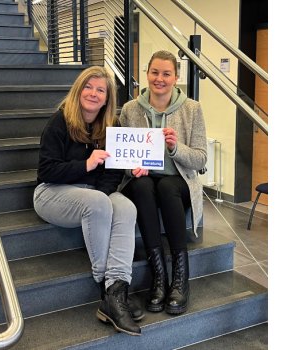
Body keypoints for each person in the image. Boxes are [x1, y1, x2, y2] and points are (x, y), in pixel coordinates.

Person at [33, 66, 142, 336]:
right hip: (52, 192)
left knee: (125, 206)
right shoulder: (59, 122)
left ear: (107, 99)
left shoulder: (111, 127)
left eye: (100, 90)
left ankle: (117, 289)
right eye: (88, 87)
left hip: (93, 194)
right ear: (79, 90)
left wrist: (103, 196)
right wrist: (87, 165)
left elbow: (114, 172)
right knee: (97, 203)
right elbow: (46, 171)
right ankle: (108, 290)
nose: (93, 93)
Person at [118, 50, 207, 315]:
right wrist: (131, 168)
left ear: (176, 77)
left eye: (166, 73)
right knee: (144, 186)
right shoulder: (130, 109)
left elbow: (201, 158)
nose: (160, 79)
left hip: (178, 181)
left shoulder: (192, 109)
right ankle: (159, 277)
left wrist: (175, 148)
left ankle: (180, 278)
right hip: (142, 180)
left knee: (167, 187)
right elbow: (121, 154)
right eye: (155, 72)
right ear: (146, 74)